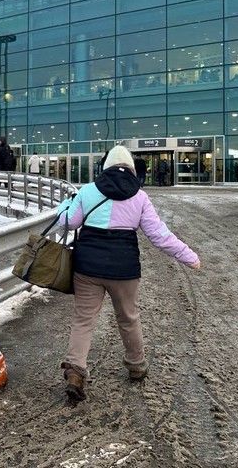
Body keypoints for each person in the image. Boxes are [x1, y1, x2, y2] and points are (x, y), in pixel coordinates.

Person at [55, 145, 201, 402]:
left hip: (87, 267)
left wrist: (65, 205)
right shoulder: (140, 197)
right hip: (124, 269)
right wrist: (189, 256)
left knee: (83, 320)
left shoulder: (87, 191)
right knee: (129, 318)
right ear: (132, 169)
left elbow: (68, 222)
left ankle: (75, 372)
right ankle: (136, 366)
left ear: (105, 166)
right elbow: (159, 235)